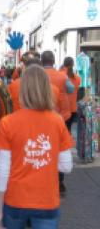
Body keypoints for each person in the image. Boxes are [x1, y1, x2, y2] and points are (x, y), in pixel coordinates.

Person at [0, 65, 74, 229]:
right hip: (47, 201)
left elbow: (3, 169)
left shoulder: (7, 123)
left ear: (23, 90)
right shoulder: (57, 121)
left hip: (16, 200)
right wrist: (45, 159)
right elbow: (66, 166)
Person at [41, 50, 74, 195]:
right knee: (60, 148)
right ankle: (60, 182)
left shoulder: (39, 75)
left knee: (44, 147)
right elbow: (71, 89)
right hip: (62, 116)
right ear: (54, 61)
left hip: (42, 118)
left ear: (42, 61)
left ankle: (45, 179)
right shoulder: (62, 75)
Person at [61, 57, 81, 132]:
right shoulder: (77, 78)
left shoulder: (59, 75)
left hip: (61, 108)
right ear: (73, 65)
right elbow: (78, 93)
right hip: (72, 108)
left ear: (64, 64)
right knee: (68, 130)